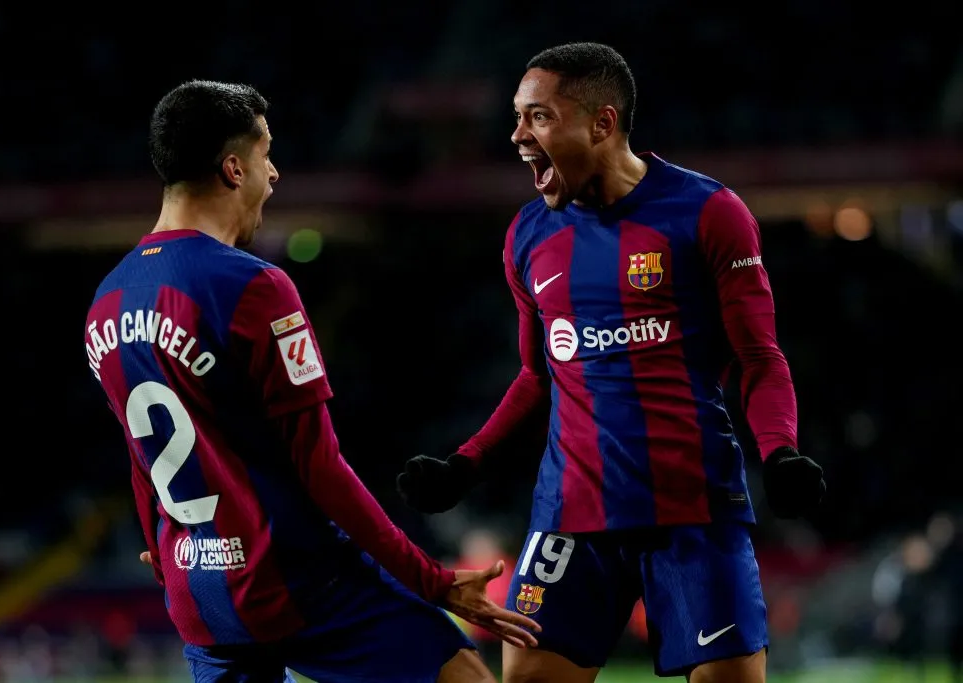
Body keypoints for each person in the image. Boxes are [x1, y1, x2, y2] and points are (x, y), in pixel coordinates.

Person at [84, 79, 539, 683]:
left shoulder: (105, 302)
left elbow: (141, 464)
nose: (273, 174)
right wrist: (430, 579)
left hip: (200, 595)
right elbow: (319, 466)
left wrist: (167, 559)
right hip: (298, 581)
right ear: (233, 169)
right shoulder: (253, 286)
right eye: (265, 154)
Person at [396, 43, 825, 683]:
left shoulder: (709, 213)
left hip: (693, 509)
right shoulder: (528, 236)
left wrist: (780, 452)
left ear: (602, 122)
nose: (518, 135)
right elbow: (536, 376)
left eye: (539, 116)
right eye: (517, 116)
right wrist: (466, 463)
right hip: (571, 515)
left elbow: (759, 357)